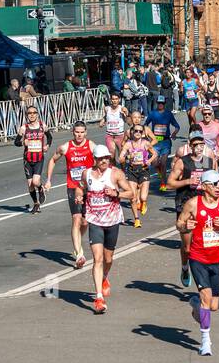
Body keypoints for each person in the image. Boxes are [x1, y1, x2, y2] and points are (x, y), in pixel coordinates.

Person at [177, 170, 219, 356]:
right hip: (198, 257)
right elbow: (179, 223)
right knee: (206, 299)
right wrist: (185, 227)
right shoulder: (193, 204)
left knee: (213, 306)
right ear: (204, 186)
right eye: (214, 184)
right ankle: (206, 341)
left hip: (216, 259)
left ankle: (196, 304)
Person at [78, 143, 136, 314]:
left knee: (108, 258)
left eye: (106, 158)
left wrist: (116, 194)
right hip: (94, 219)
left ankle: (104, 277)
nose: (104, 161)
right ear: (95, 159)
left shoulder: (116, 173)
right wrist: (79, 196)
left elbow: (131, 193)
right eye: (101, 158)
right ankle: (98, 298)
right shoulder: (87, 174)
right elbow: (80, 188)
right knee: (97, 259)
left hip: (112, 220)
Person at [168, 132, 216, 290]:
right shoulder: (183, 162)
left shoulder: (210, 161)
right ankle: (184, 267)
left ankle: (204, 275)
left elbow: (216, 182)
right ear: (190, 146)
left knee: (204, 243)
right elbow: (170, 183)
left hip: (204, 204)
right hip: (185, 204)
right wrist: (188, 181)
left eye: (202, 145)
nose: (200, 148)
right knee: (187, 247)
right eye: (196, 145)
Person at [44, 121, 95, 269]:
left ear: (85, 133)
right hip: (73, 187)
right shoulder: (66, 147)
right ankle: (79, 254)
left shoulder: (91, 146)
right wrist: (48, 180)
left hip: (88, 188)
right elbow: (53, 160)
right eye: (76, 132)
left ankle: (77, 240)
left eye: (82, 132)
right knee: (76, 219)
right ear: (73, 132)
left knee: (85, 222)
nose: (79, 135)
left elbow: (102, 161)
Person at [14, 105, 53, 214]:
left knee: (36, 181)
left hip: (39, 158)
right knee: (30, 184)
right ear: (27, 115)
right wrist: (23, 142)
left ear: (37, 114)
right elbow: (16, 142)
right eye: (29, 113)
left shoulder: (42, 126)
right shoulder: (23, 128)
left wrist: (47, 146)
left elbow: (49, 137)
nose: (31, 115)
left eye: (34, 113)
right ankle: (36, 203)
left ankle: (41, 189)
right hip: (27, 159)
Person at [117, 125, 154, 226]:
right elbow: (120, 159)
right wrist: (128, 156)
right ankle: (136, 219)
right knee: (132, 197)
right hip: (132, 171)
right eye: (136, 131)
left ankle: (143, 202)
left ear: (142, 133)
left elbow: (155, 154)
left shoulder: (146, 143)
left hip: (144, 171)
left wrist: (149, 161)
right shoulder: (128, 145)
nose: (138, 132)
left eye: (140, 131)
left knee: (143, 197)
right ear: (132, 132)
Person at [146, 96, 178, 190]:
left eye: (162, 103)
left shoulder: (169, 114)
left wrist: (174, 133)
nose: (160, 105)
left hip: (165, 142)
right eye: (159, 103)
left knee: (163, 162)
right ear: (157, 103)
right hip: (155, 142)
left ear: (164, 104)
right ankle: (159, 170)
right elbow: (145, 125)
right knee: (154, 163)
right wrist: (148, 136)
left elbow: (177, 126)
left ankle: (163, 183)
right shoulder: (152, 114)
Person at [102, 93, 129, 158]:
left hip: (120, 135)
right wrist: (102, 121)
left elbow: (128, 122)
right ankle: (113, 167)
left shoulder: (122, 109)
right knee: (111, 155)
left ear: (119, 100)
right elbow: (106, 117)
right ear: (110, 100)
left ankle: (123, 168)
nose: (114, 101)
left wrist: (126, 114)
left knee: (121, 156)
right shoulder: (106, 109)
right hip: (109, 135)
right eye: (113, 99)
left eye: (116, 99)